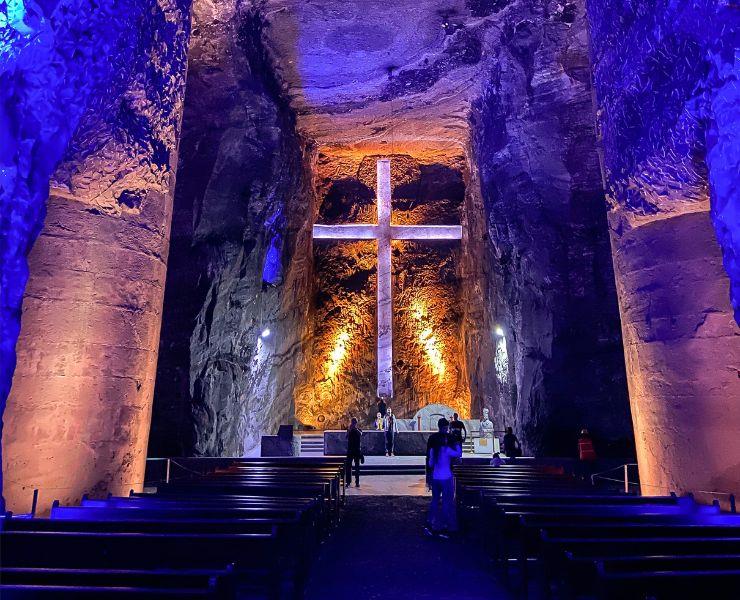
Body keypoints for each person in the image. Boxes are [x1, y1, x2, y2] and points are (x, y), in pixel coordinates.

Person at [425, 418, 462, 538]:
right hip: (446, 476)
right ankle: (448, 526)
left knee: (435, 500)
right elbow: (458, 453)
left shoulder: (433, 448)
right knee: (447, 502)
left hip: (436, 477)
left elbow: (429, 463)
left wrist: (428, 477)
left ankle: (432, 524)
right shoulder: (447, 448)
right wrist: (456, 442)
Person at [345, 417, 363, 487]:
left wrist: (355, 429)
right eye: (353, 422)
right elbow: (346, 437)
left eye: (354, 422)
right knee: (349, 466)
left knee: (357, 467)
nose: (353, 423)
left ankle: (357, 482)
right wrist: (350, 430)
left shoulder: (358, 430)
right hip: (350, 450)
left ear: (356, 423)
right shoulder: (349, 430)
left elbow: (360, 434)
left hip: (356, 450)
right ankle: (348, 482)